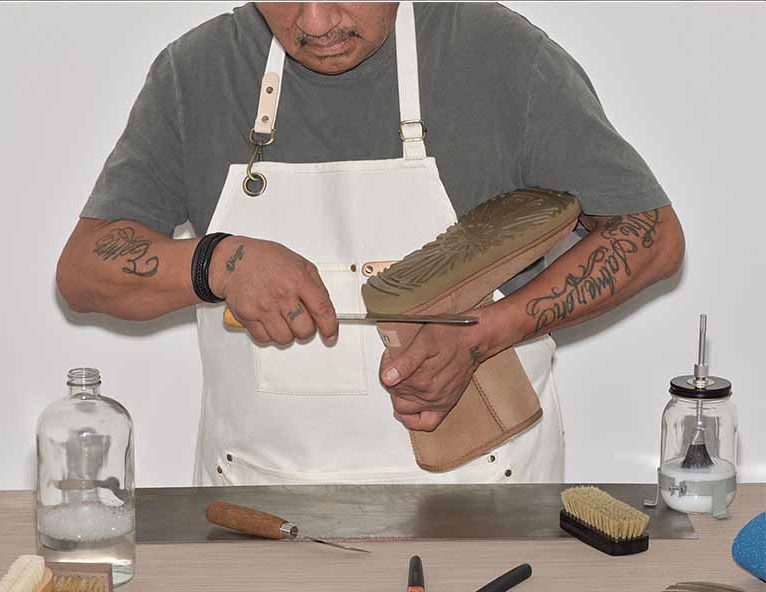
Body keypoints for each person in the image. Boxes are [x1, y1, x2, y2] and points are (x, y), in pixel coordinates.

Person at [57, 2, 684, 486]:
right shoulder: (196, 74)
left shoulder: (499, 56)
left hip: (483, 506)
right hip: (254, 510)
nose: (317, 22)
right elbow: (83, 273)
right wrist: (217, 260)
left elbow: (651, 234)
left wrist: (483, 333)